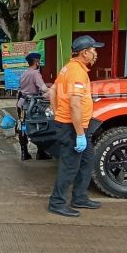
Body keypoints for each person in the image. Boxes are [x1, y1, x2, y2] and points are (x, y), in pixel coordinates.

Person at [47, 35, 104, 217]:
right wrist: (79, 133)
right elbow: (74, 104)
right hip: (72, 128)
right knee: (70, 166)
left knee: (88, 160)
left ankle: (80, 197)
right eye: (93, 50)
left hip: (78, 126)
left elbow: (53, 91)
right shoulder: (76, 72)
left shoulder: (68, 68)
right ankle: (56, 202)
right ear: (84, 52)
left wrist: (56, 112)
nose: (95, 54)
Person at [17, 52, 52, 161]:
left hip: (21, 103)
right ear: (36, 62)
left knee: (22, 126)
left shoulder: (25, 73)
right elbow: (43, 88)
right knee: (39, 127)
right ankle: (40, 153)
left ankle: (24, 153)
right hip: (33, 104)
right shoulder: (36, 73)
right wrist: (52, 90)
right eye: (39, 62)